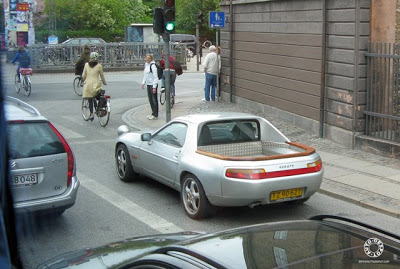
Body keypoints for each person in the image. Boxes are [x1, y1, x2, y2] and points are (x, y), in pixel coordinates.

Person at [82, 52, 107, 121]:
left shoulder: (86, 65)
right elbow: (102, 77)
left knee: (90, 99)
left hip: (88, 86)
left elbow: (83, 76)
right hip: (96, 85)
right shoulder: (99, 66)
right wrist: (104, 83)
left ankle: (91, 114)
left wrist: (82, 81)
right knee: (98, 96)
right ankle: (99, 109)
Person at [142, 54, 159, 120]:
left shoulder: (153, 66)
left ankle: (155, 114)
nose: (147, 59)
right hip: (148, 84)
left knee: (154, 99)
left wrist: (154, 87)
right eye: (146, 58)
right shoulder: (146, 65)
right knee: (150, 99)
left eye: (149, 58)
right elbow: (145, 75)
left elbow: (155, 77)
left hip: (152, 84)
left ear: (151, 59)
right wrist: (143, 83)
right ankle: (153, 113)